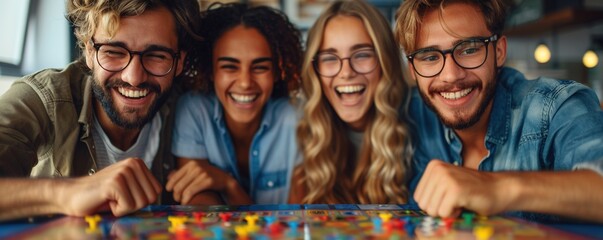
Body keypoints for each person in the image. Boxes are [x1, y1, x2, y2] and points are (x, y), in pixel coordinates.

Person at [395, 0, 603, 222]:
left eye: (469, 49)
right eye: (429, 57)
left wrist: (498, 188)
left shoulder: (556, 107)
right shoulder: (410, 115)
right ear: (413, 70)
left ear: (499, 51)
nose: (451, 75)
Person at [0, 0, 202, 220]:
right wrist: (66, 193)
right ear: (88, 50)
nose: (133, 78)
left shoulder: (191, 108)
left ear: (179, 61)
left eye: (156, 56)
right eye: (114, 52)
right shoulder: (41, 98)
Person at [166, 2, 303, 205]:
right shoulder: (194, 112)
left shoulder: (297, 120)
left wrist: (228, 185)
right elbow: (198, 206)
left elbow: (298, 222)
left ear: (277, 72)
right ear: (210, 70)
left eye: (260, 67)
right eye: (230, 67)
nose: (246, 83)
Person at [289, 0, 413, 204]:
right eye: (329, 58)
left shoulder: (420, 124)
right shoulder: (301, 132)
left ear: (385, 61)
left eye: (362, 55)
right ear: (314, 70)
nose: (346, 73)